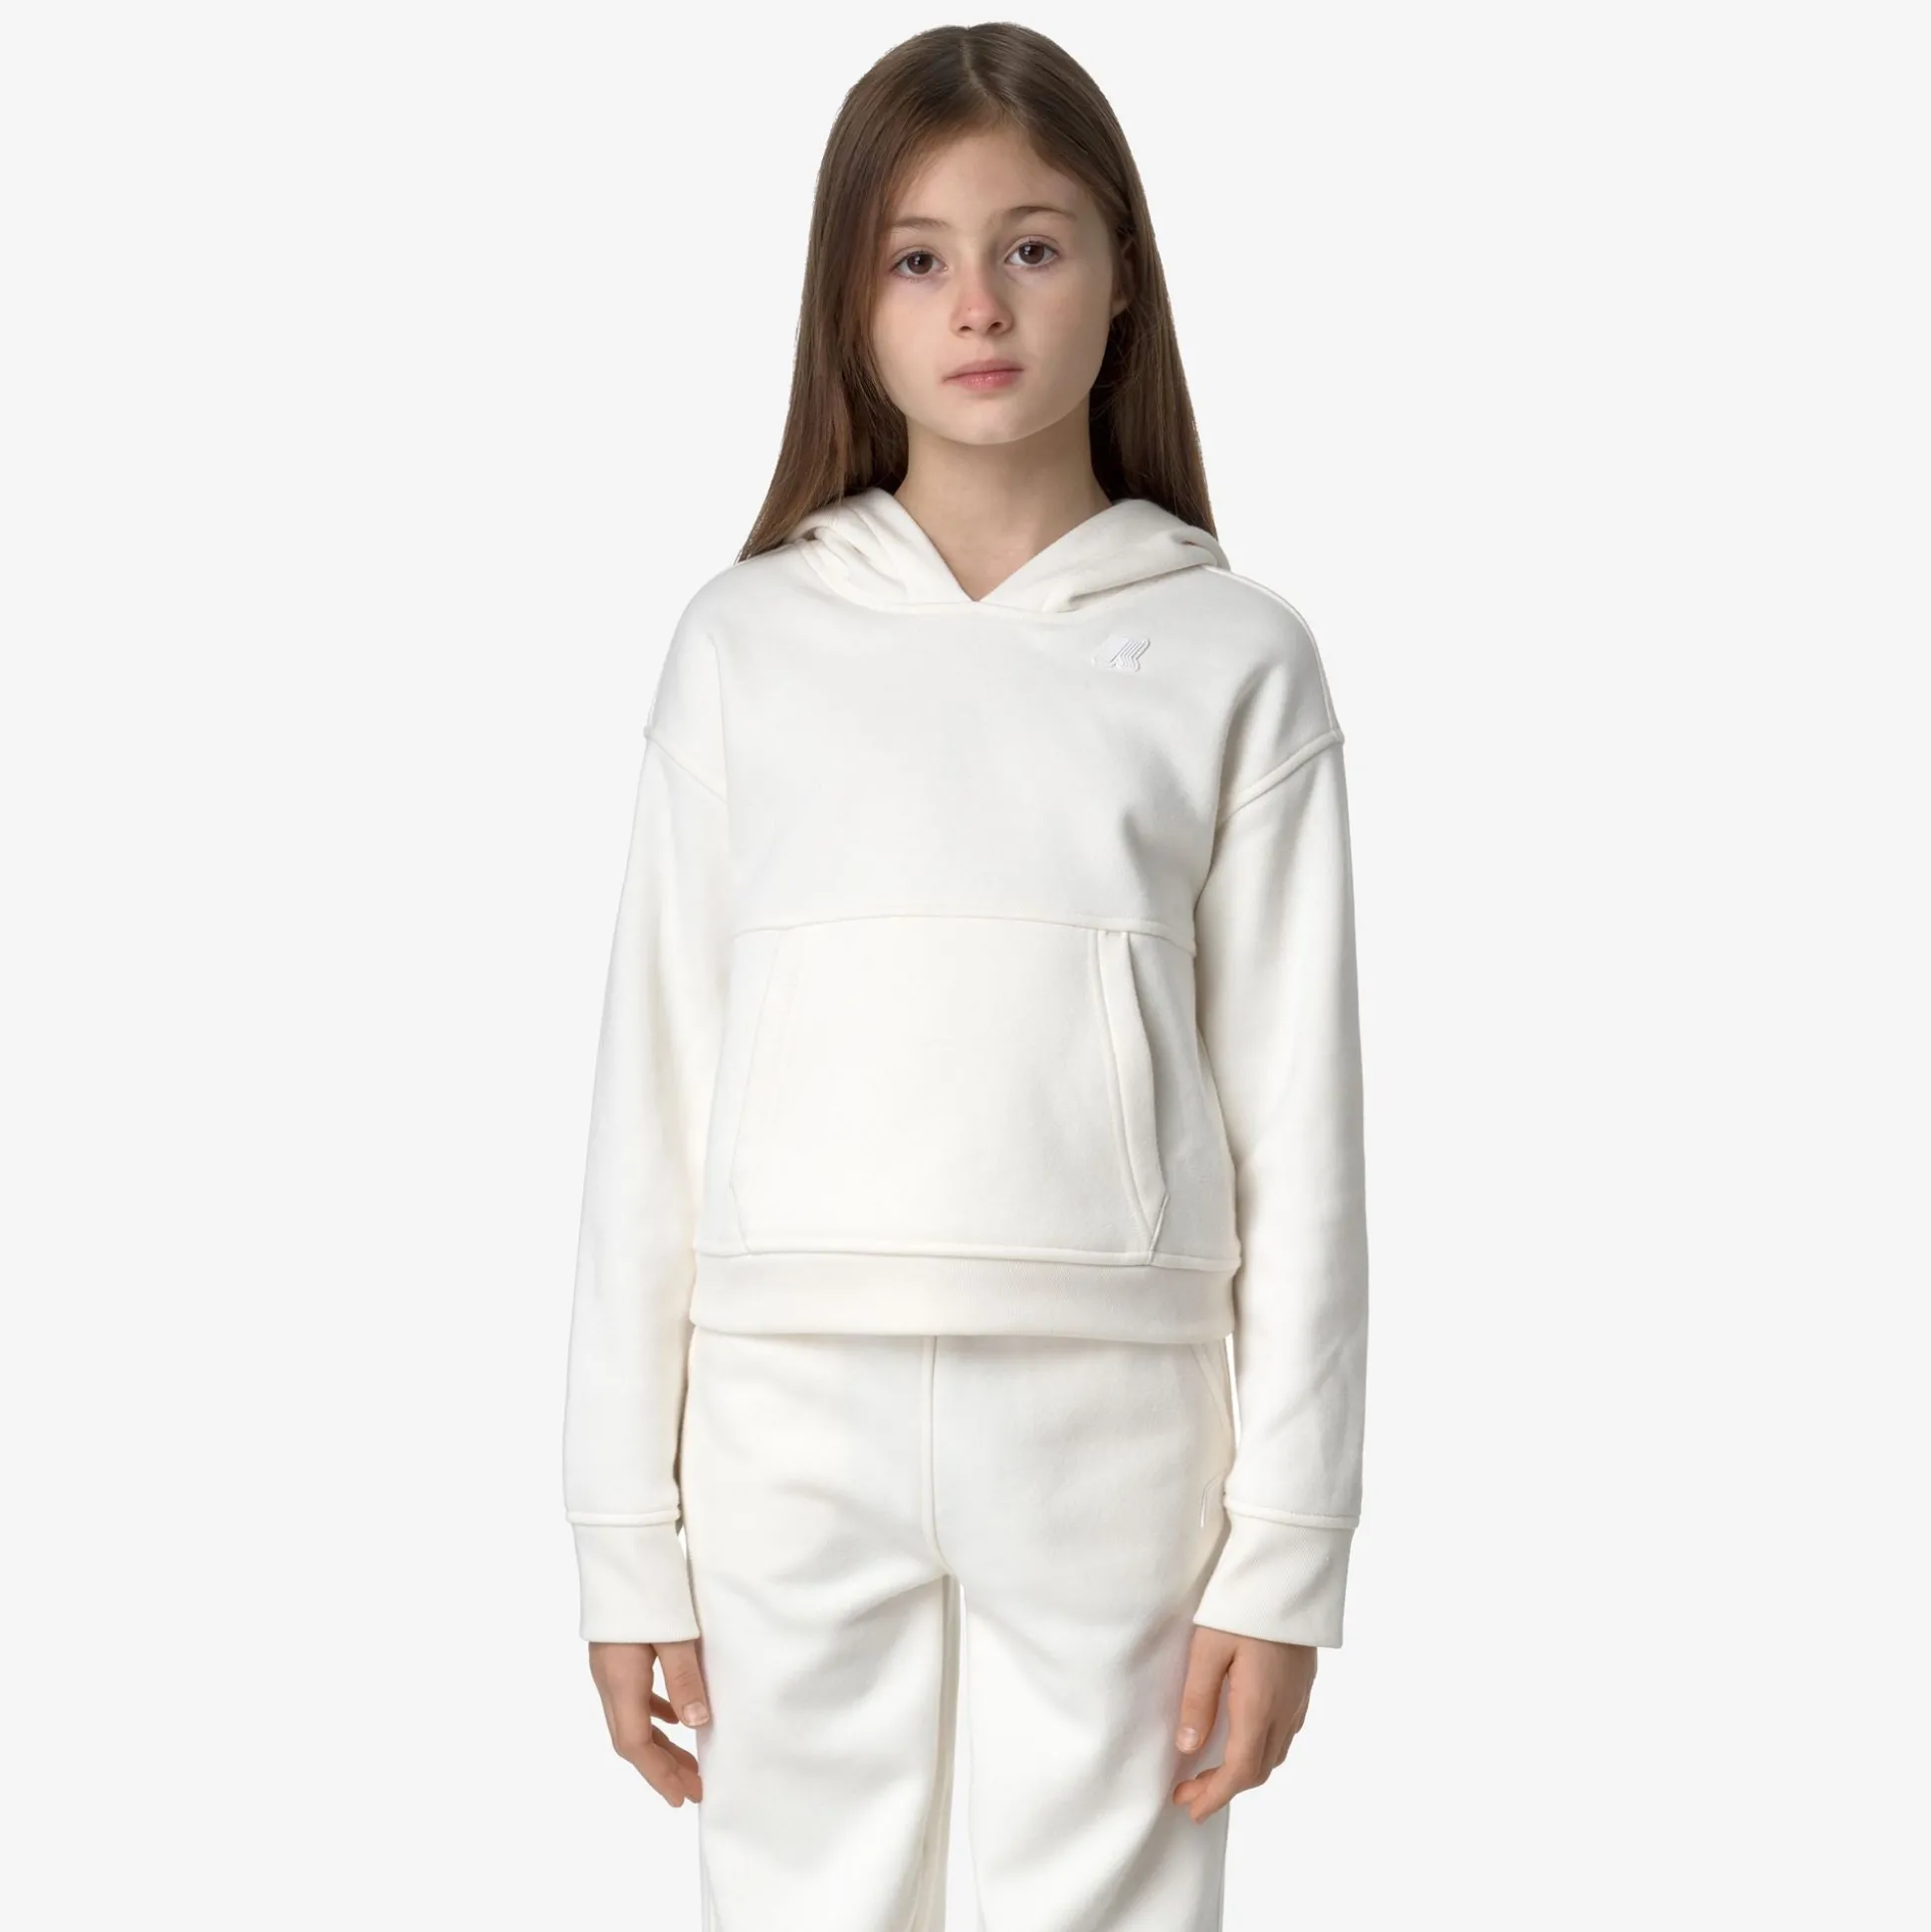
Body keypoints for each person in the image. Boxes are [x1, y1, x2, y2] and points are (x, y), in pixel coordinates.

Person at [560, 22, 1370, 1929]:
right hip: (785, 1420)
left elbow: (1304, 1133)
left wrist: (1288, 1553)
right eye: (917, 256)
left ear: (1121, 277)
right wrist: (621, 1534)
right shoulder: (744, 645)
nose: (979, 304)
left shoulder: (1235, 658)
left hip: (1116, 1423)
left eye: (1034, 245)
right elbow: (652, 1095)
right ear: (850, 302)